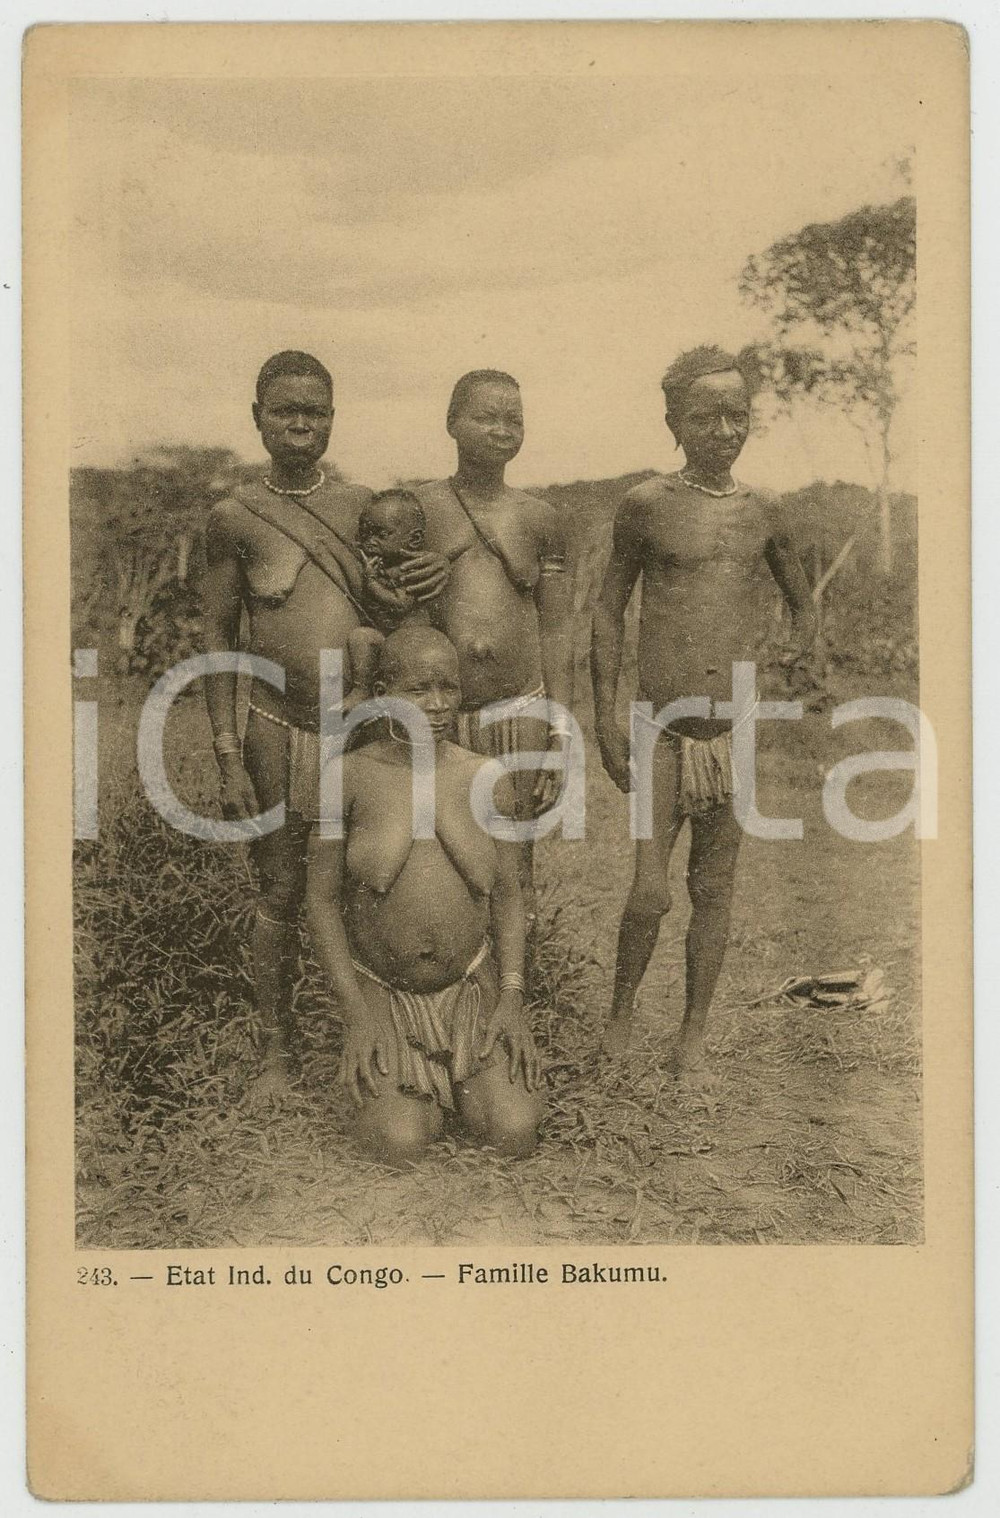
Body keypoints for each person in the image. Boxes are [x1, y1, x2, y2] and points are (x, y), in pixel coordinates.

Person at [202, 351, 447, 1108]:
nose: (300, 423)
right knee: (279, 890)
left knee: (371, 880)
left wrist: (412, 594)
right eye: (285, 409)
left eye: (314, 410)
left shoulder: (365, 506)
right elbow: (219, 639)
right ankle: (275, 1058)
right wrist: (227, 751)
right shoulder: (233, 518)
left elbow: (400, 614)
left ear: (333, 418)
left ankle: (385, 1039)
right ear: (257, 417)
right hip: (274, 729)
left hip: (361, 733)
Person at [590, 345, 817, 1080]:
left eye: (736, 414)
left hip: (733, 728)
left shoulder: (763, 512)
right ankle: (621, 1019)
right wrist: (602, 716)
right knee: (650, 892)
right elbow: (607, 608)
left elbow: (801, 598)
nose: (723, 429)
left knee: (712, 888)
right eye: (704, 415)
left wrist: (793, 659)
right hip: (658, 724)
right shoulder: (646, 505)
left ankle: (691, 1035)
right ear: (673, 422)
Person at [305, 625, 543, 1165]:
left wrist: (510, 997)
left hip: (469, 988)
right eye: (418, 690)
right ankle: (420, 1085)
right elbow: (319, 902)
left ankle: (464, 1077)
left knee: (513, 1132)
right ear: (384, 692)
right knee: (398, 1142)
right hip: (382, 991)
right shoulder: (348, 777)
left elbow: (507, 893)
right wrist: (355, 1014)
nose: (436, 706)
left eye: (448, 688)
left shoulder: (486, 777)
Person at [415, 370, 575, 928]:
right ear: (452, 424)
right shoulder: (421, 508)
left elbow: (556, 630)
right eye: (486, 417)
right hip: (439, 712)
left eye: (514, 420)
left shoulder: (539, 518)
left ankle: (514, 996)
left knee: (514, 863)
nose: (502, 430)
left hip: (518, 709)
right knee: (436, 856)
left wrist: (559, 731)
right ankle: (451, 998)